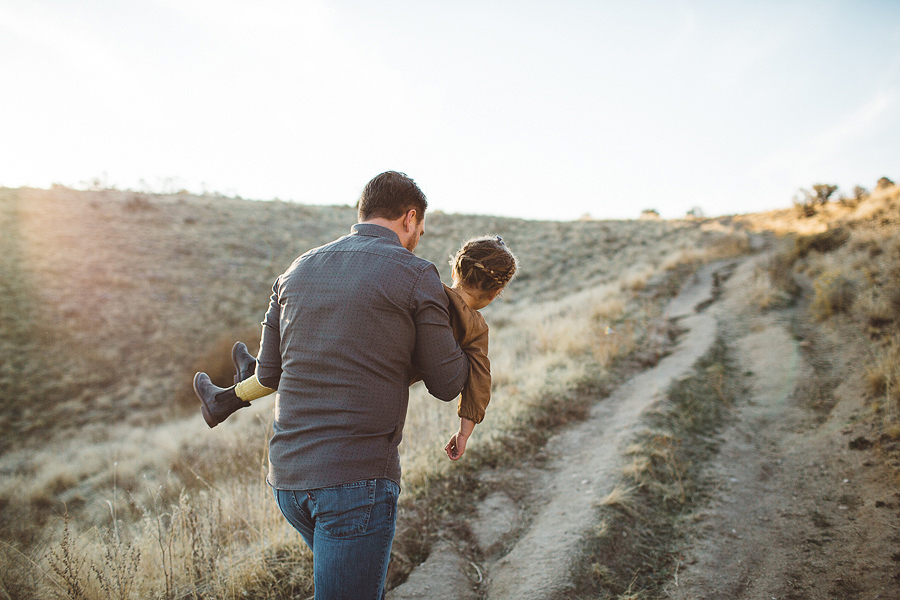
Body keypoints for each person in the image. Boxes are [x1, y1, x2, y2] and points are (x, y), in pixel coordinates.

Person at [190, 171, 506, 600]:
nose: (417, 240)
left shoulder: (296, 269)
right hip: (356, 482)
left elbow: (268, 376)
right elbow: (448, 384)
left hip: (287, 479)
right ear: (410, 219)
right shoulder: (417, 276)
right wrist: (469, 337)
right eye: (420, 230)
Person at [194, 234, 518, 461]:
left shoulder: (426, 288)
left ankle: (248, 381)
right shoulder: (474, 326)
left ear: (455, 269)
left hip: (356, 359)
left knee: (315, 346)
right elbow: (479, 379)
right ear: (496, 292)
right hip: (370, 379)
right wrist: (465, 431)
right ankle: (247, 380)